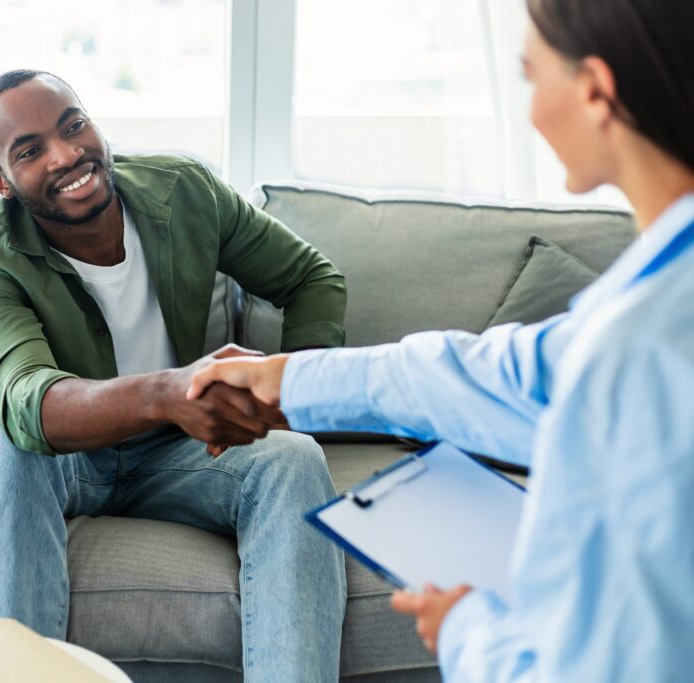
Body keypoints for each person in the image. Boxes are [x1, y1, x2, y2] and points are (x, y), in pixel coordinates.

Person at [187, 0, 694, 680]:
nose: (532, 111)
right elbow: (510, 374)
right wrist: (293, 380)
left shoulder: (641, 344)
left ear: (595, 91)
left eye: (530, 76)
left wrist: (469, 631)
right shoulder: (645, 312)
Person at [0, 70, 349, 681]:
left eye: (73, 125)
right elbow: (28, 403)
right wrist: (167, 392)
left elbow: (311, 278)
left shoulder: (184, 191)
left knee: (292, 457)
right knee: (2, 444)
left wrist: (287, 396)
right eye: (29, 151)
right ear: (1, 181)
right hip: (61, 459)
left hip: (183, 454)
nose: (66, 154)